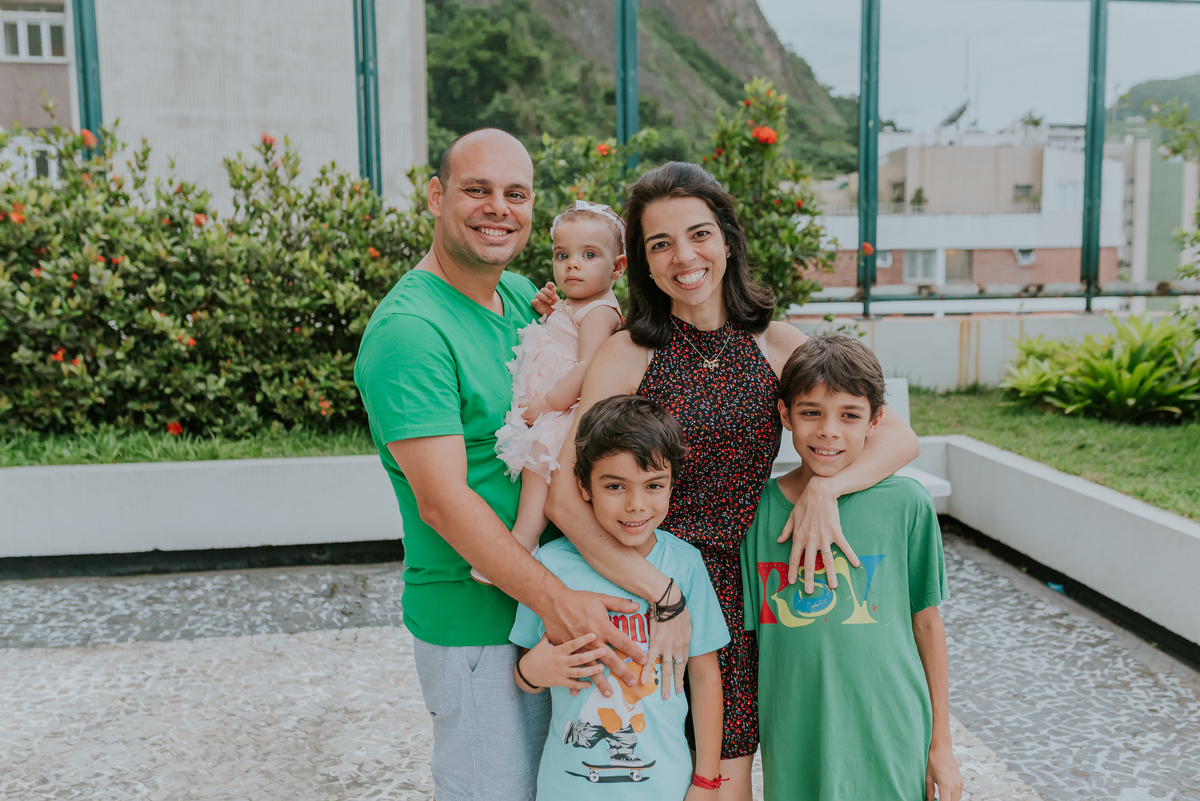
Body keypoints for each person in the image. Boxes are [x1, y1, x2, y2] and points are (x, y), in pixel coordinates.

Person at [544, 162, 920, 799]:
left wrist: (827, 488)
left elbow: (897, 435)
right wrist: (663, 590)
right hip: (640, 585)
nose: (683, 257)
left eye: (698, 235)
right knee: (627, 766)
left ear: (726, 239)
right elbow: (564, 495)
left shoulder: (777, 345)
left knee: (720, 782)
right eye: (660, 244)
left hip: (740, 597)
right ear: (641, 262)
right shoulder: (627, 353)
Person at [353, 128, 648, 801]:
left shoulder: (519, 297)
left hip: (543, 616)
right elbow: (443, 501)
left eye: (515, 194)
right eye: (477, 190)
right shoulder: (410, 332)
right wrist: (561, 602)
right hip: (479, 627)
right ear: (436, 196)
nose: (498, 208)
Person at [740, 334, 963, 801]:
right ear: (785, 415)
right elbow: (751, 645)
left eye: (849, 415)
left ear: (876, 420)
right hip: (796, 740)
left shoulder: (906, 505)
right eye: (810, 413)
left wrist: (940, 744)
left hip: (892, 736)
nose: (829, 431)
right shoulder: (757, 514)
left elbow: (926, 624)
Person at [510, 395, 730, 799]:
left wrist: (707, 781)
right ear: (583, 486)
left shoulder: (685, 564)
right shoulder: (552, 565)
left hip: (666, 785)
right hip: (568, 788)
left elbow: (704, 675)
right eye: (615, 486)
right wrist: (530, 674)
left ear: (671, 486)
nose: (635, 505)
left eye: (653, 486)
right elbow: (526, 670)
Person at [480, 201, 627, 584]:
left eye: (589, 255)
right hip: (552, 409)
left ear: (618, 268)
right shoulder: (577, 302)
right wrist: (551, 310)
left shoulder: (600, 311)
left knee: (536, 474)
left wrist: (548, 403)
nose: (572, 264)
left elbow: (588, 366)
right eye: (563, 255)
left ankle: (520, 544)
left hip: (566, 413)